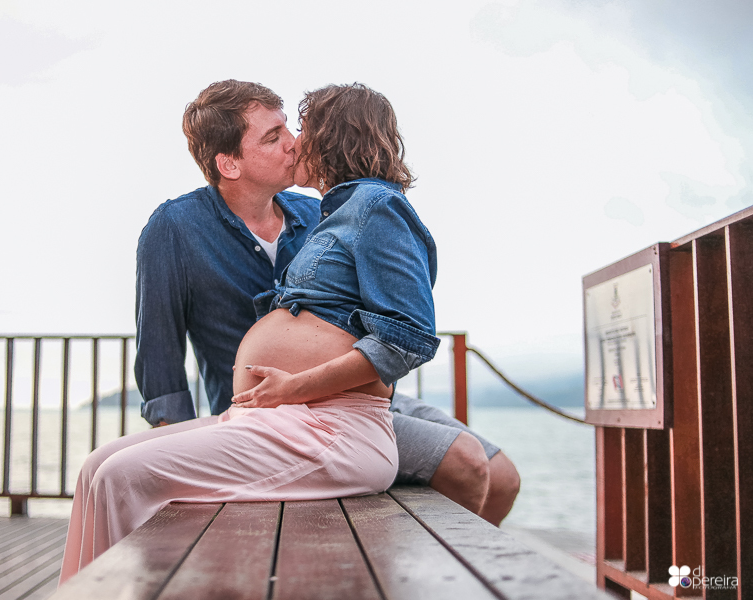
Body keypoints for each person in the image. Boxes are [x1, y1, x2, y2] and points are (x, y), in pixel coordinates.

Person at [133, 80, 519, 527]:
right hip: (273, 415)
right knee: (466, 463)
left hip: (358, 394)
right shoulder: (175, 228)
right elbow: (160, 365)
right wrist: (179, 472)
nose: (294, 143)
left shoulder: (320, 212)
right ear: (229, 163)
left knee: (503, 476)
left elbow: (394, 309)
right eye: (273, 137)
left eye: (288, 130)